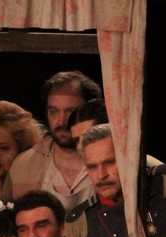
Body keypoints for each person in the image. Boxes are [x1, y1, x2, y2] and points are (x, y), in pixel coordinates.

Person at [8, 71, 103, 211]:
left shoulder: (114, 162)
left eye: (70, 111)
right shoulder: (24, 165)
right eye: (54, 111)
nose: (61, 121)